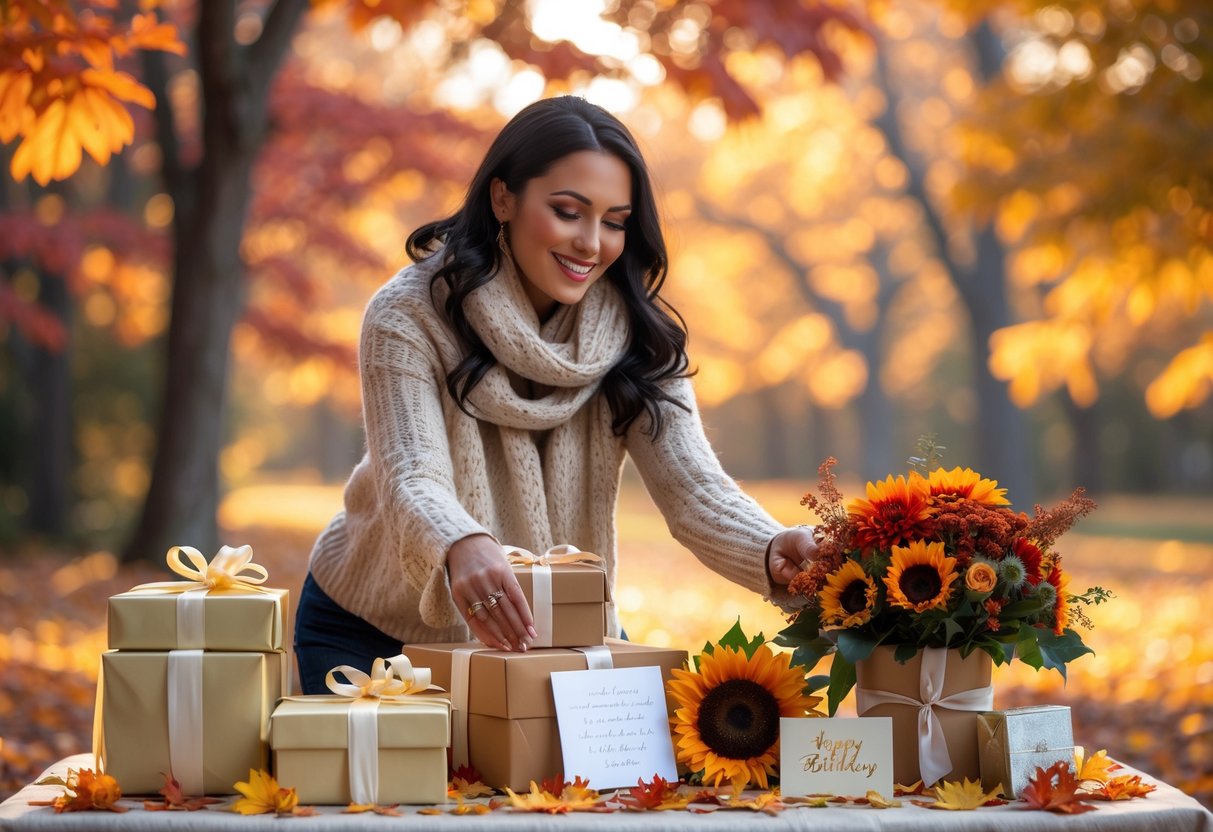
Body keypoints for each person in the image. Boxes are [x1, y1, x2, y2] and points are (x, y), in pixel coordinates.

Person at [294, 96, 817, 694]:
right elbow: (412, 474)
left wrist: (772, 545)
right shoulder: (407, 315)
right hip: (372, 633)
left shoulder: (637, 337)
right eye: (568, 211)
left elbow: (694, 489)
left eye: (616, 221)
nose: (592, 244)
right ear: (503, 199)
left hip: (542, 638)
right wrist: (461, 542)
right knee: (398, 791)